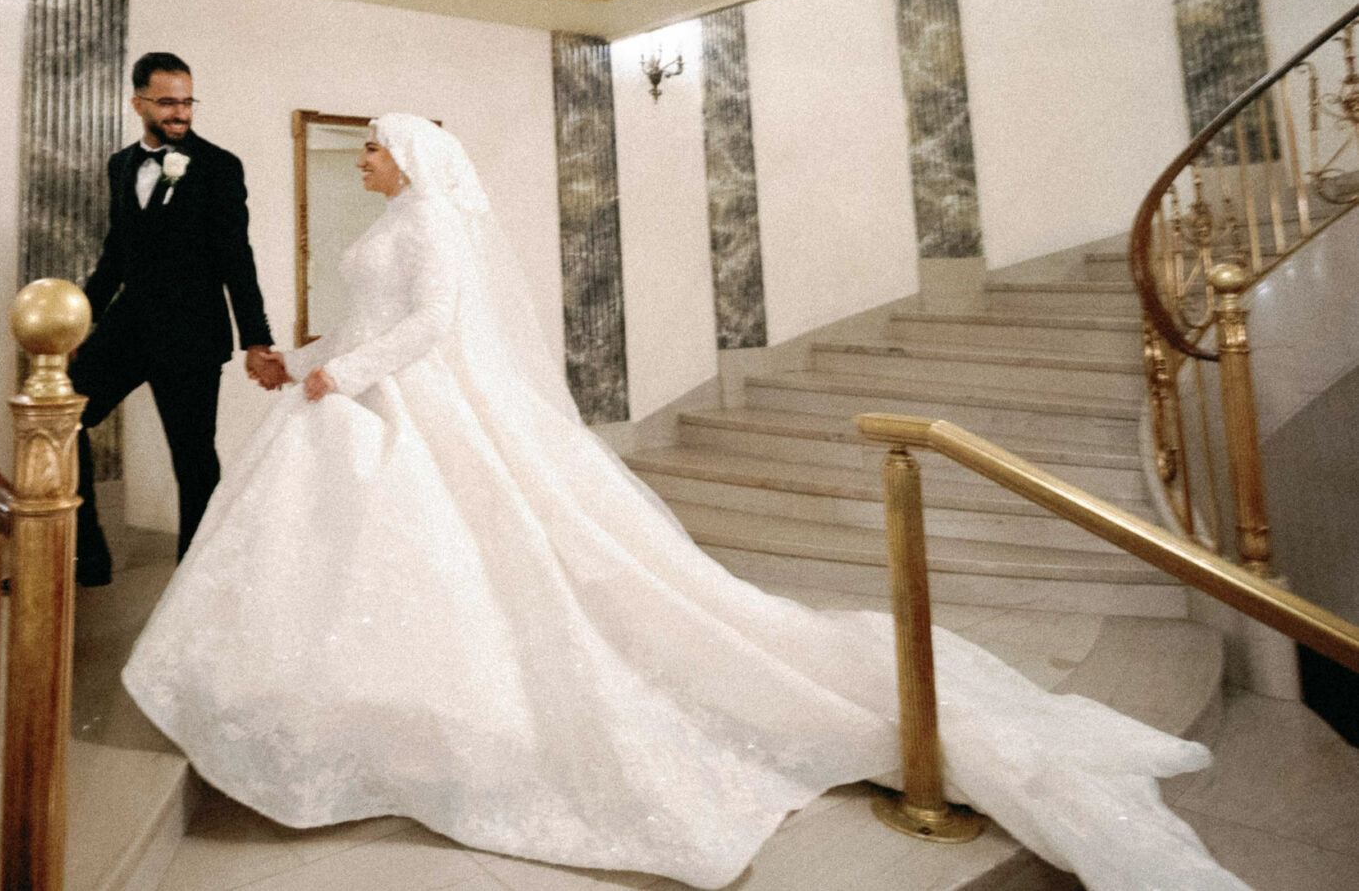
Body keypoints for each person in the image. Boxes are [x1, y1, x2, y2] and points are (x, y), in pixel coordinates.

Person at [122, 113, 1250, 891]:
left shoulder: (431, 224)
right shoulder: (399, 222)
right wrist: (306, 357)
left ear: (408, 155)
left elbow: (427, 332)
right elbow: (376, 328)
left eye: (371, 146)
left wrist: (340, 373)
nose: (362, 159)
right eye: (364, 146)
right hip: (360, 409)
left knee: (450, 572)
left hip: (401, 415)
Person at [69, 52, 284, 587]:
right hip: (127, 329)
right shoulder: (121, 165)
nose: (180, 112)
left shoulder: (219, 166)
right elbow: (116, 254)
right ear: (138, 102)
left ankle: (197, 581)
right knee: (61, 421)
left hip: (192, 335)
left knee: (193, 461)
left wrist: (257, 339)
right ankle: (85, 556)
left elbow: (238, 257)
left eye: (187, 101)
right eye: (167, 102)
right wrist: (81, 324)